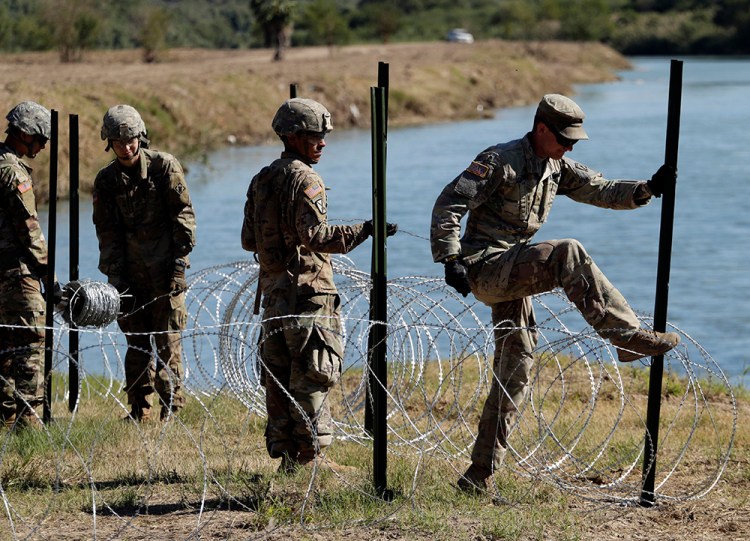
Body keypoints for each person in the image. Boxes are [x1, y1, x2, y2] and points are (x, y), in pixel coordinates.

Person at [430, 94, 680, 493]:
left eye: (575, 142)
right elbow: (450, 203)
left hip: (514, 269)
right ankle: (625, 337)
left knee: (517, 367)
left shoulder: (557, 166)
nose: (569, 147)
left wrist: (647, 188)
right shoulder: (500, 160)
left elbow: (600, 188)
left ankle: (478, 476)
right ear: (541, 129)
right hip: (484, 267)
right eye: (564, 139)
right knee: (567, 252)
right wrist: (450, 257)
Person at [242, 97, 397, 473]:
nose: (323, 142)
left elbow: (248, 239)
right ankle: (311, 458)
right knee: (313, 373)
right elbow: (317, 236)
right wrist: (366, 230)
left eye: (323, 135)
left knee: (279, 380)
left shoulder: (261, 178)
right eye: (315, 136)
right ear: (293, 137)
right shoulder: (307, 179)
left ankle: (288, 460)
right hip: (310, 296)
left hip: (275, 297)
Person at [92, 104, 196, 422]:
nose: (126, 147)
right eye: (119, 141)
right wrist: (116, 279)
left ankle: (172, 408)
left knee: (168, 341)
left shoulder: (164, 167)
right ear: (109, 143)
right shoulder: (107, 181)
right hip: (130, 276)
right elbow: (106, 234)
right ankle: (139, 408)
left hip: (166, 271)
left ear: (141, 137)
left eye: (131, 139)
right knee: (136, 344)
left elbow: (184, 219)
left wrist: (179, 265)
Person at [0, 101, 53, 430]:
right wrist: (49, 272)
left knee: (4, 346)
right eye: (40, 138)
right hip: (15, 271)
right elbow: (28, 227)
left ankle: (5, 418)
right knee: (31, 341)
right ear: (24, 135)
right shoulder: (12, 171)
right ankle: (28, 422)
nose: (43, 145)